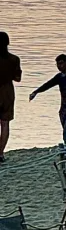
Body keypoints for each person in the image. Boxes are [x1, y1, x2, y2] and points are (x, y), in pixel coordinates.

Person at [29, 54, 66, 144]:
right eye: (58, 64)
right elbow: (48, 84)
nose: (59, 66)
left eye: (61, 63)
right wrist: (36, 92)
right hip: (63, 108)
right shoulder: (59, 77)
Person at [0, 32, 21, 164]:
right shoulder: (14, 59)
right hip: (7, 92)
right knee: (5, 123)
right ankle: (0, 153)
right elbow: (18, 78)